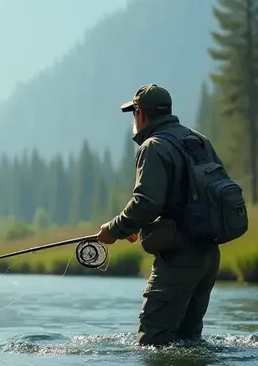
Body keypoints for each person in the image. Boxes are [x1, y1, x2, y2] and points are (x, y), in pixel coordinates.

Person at [95, 84, 224, 346]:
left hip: (178, 257)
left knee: (152, 342)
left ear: (141, 113)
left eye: (134, 113)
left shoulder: (154, 146)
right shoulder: (198, 141)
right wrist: (139, 226)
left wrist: (113, 230)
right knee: (188, 341)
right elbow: (188, 198)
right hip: (208, 256)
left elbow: (146, 202)